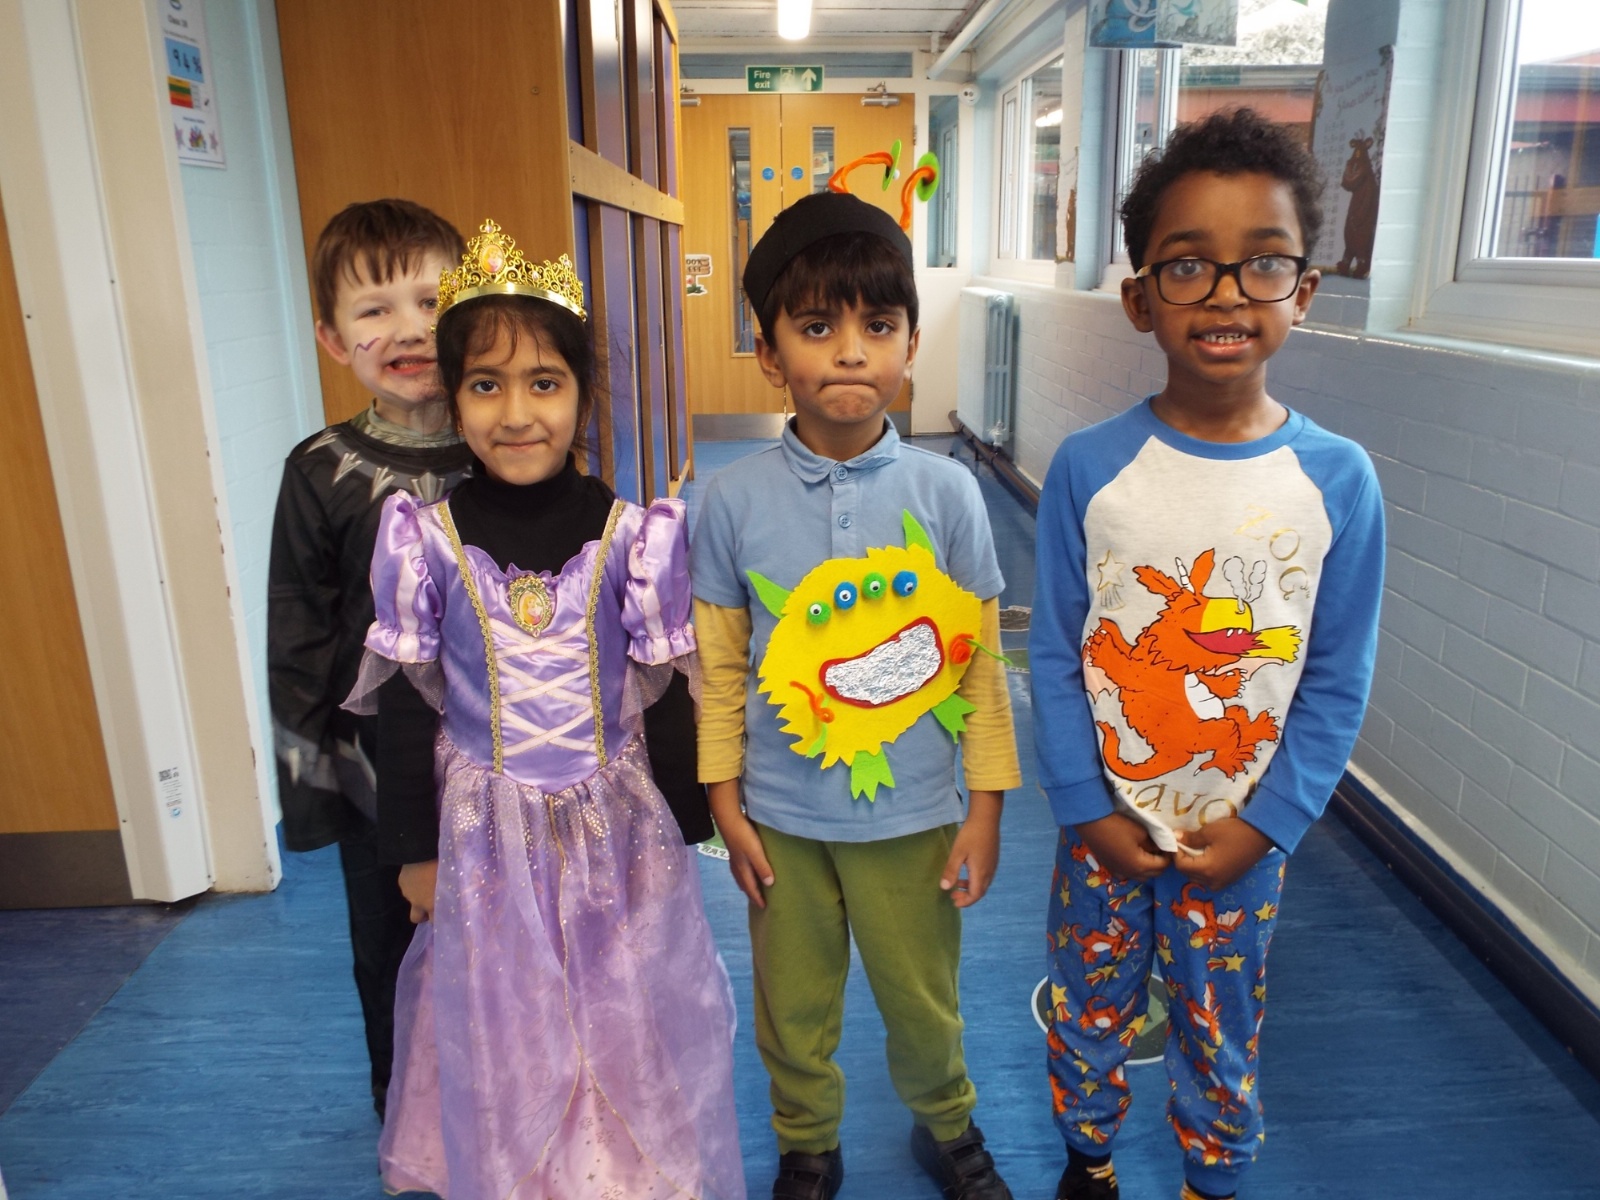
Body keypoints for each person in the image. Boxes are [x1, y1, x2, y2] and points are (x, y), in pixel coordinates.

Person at [346, 218, 743, 1200]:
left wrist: (688, 830)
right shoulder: (424, 540)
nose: (516, 413)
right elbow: (408, 706)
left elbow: (663, 693)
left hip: (614, 828)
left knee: (622, 1001)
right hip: (485, 836)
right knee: (507, 1012)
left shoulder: (634, 535)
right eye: (486, 386)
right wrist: (413, 850)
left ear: (581, 394)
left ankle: (620, 1174)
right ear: (453, 396)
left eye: (543, 383)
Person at [1030, 109, 1386, 1200]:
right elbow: (1055, 654)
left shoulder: (1338, 481)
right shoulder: (1091, 468)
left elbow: (1335, 677)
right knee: (1088, 1008)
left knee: (1218, 1023)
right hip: (1104, 832)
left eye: (1261, 264)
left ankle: (1211, 1180)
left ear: (1303, 290)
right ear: (1141, 297)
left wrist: (1267, 826)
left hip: (1241, 841)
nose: (1227, 295)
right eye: (1188, 266)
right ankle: (1087, 1161)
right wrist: (1086, 808)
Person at [692, 190, 1022, 1200]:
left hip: (913, 813)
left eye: (877, 326)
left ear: (911, 345)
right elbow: (720, 668)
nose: (848, 352)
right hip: (781, 817)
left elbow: (979, 668)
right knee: (792, 1003)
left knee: (922, 995)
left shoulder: (948, 495)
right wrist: (724, 806)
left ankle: (948, 1124)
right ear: (768, 352)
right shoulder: (729, 501)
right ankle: (807, 1140)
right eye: (815, 326)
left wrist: (984, 809)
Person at [267, 198, 472, 1120]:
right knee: (389, 946)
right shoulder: (318, 471)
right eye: (375, 310)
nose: (410, 329)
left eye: (432, 303)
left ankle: (510, 1096)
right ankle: (405, 1106)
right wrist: (314, 795)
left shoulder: (511, 447)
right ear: (330, 337)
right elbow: (298, 635)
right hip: (373, 775)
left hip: (505, 757)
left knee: (511, 938)